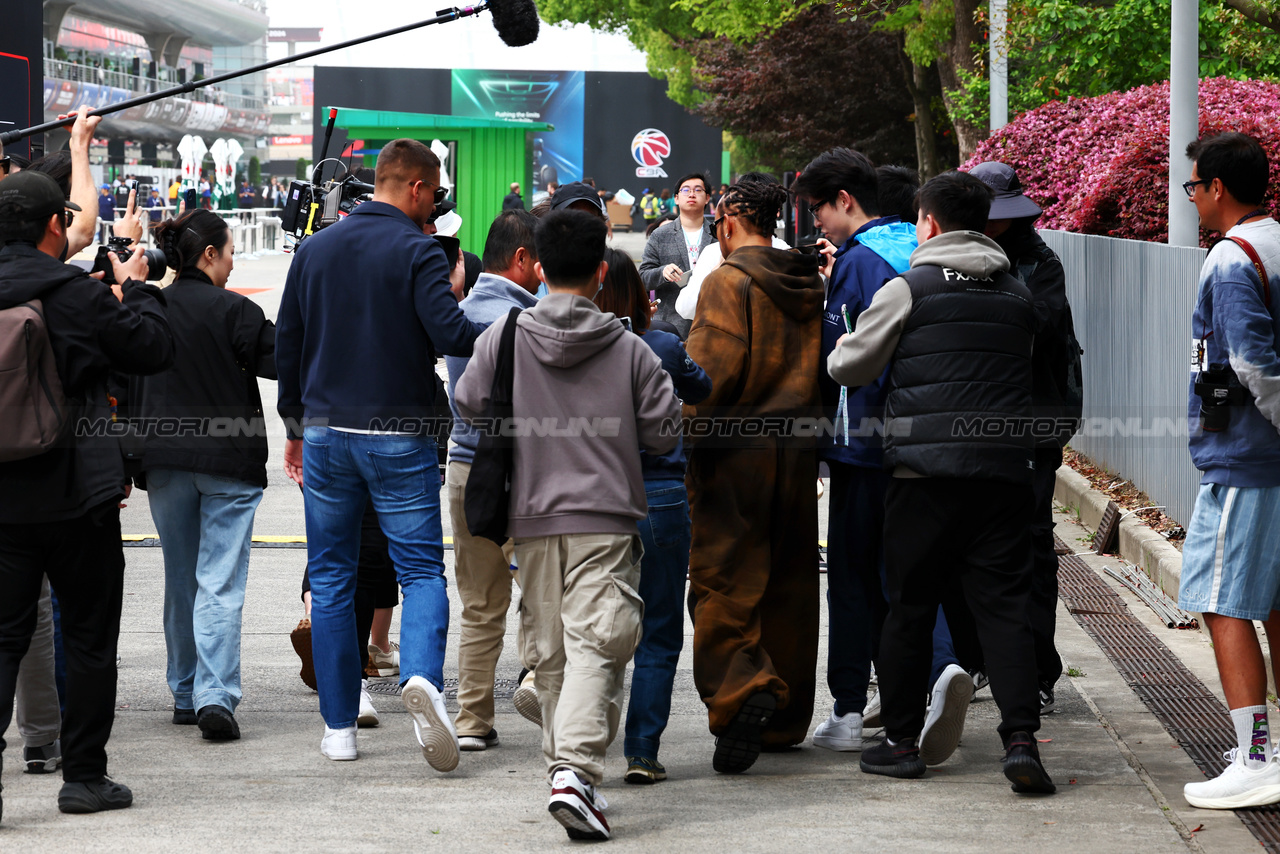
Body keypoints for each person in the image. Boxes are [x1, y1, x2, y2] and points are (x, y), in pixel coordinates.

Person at [454, 210, 681, 841]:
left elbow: (469, 402)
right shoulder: (632, 349)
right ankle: (574, 773)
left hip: (529, 517)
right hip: (605, 517)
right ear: (602, 272)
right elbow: (664, 433)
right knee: (597, 645)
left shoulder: (505, 335)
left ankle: (567, 775)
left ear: (540, 269)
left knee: (552, 653)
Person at [828, 171, 1053, 793]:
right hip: (1004, 475)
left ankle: (901, 741)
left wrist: (847, 337)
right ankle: (1021, 741)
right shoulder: (1017, 295)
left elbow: (850, 364)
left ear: (927, 223)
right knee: (1003, 609)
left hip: (922, 475)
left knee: (910, 606)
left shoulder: (909, 288)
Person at [275, 138, 483, 768]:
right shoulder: (419, 251)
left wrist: (293, 423)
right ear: (416, 188)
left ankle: (339, 728)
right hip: (399, 431)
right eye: (434, 194)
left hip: (327, 431)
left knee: (333, 577)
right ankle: (420, 676)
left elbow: (289, 339)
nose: (434, 208)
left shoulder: (315, 249)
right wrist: (509, 326)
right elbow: (451, 334)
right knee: (420, 570)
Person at [0, 170, 174, 819]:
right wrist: (135, 287)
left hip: (3, 501)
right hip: (80, 496)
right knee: (89, 636)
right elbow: (152, 350)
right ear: (54, 226)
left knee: (4, 637)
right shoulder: (75, 293)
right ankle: (84, 778)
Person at [684, 178, 825, 773]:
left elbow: (709, 377)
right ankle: (785, 722)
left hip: (735, 451)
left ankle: (745, 692)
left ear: (729, 221)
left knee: (722, 582)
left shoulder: (727, 280)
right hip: (797, 450)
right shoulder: (807, 281)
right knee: (790, 582)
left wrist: (679, 433)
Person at [129, 209, 276, 740]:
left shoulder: (150, 307)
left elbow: (123, 383)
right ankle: (216, 695)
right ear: (210, 254)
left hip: (163, 461)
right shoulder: (237, 312)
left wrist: (126, 462)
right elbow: (285, 359)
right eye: (232, 252)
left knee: (180, 578)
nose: (234, 263)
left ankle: (185, 692)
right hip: (228, 464)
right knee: (220, 580)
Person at [790, 148, 917, 755]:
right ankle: (905, 704)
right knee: (906, 581)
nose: (815, 220)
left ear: (846, 201)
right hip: (920, 447)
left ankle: (846, 708)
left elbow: (837, 360)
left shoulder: (859, 264)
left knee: (851, 578)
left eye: (818, 207)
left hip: (861, 447)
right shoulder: (919, 252)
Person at [1177, 132, 1280, 810]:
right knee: (1272, 604)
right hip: (1263, 460)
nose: (1190, 199)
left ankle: (1257, 757)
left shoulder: (1230, 259)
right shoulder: (1273, 242)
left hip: (1247, 458)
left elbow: (1250, 364)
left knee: (1221, 602)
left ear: (1217, 188)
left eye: (1193, 187)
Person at [594, 247, 712, 784]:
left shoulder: (581, 347)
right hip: (661, 495)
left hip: (600, 497)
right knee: (660, 629)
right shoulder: (661, 343)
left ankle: (584, 742)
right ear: (641, 297)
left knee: (597, 625)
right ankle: (642, 750)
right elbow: (701, 387)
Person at [970, 160, 1082, 714]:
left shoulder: (1040, 264)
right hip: (976, 425)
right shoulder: (958, 258)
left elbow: (1039, 333)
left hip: (1034, 425)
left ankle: (1040, 669)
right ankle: (980, 660)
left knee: (1033, 547)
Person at [444, 209, 542, 751]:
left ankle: (472, 719)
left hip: (464, 469)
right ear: (522, 259)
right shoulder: (524, 321)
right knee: (540, 589)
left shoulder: (459, 313)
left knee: (480, 603)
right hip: (520, 471)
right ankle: (534, 679)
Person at [674, 173, 793, 322]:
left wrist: (714, 276)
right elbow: (685, 308)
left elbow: (686, 309)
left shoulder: (715, 253)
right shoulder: (791, 256)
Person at [639, 173, 716, 339]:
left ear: (707, 198)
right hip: (670, 326)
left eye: (698, 190)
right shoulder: (660, 234)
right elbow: (642, 277)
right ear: (676, 198)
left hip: (711, 323)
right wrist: (662, 273)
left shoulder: (719, 233)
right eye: (685, 190)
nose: (691, 194)